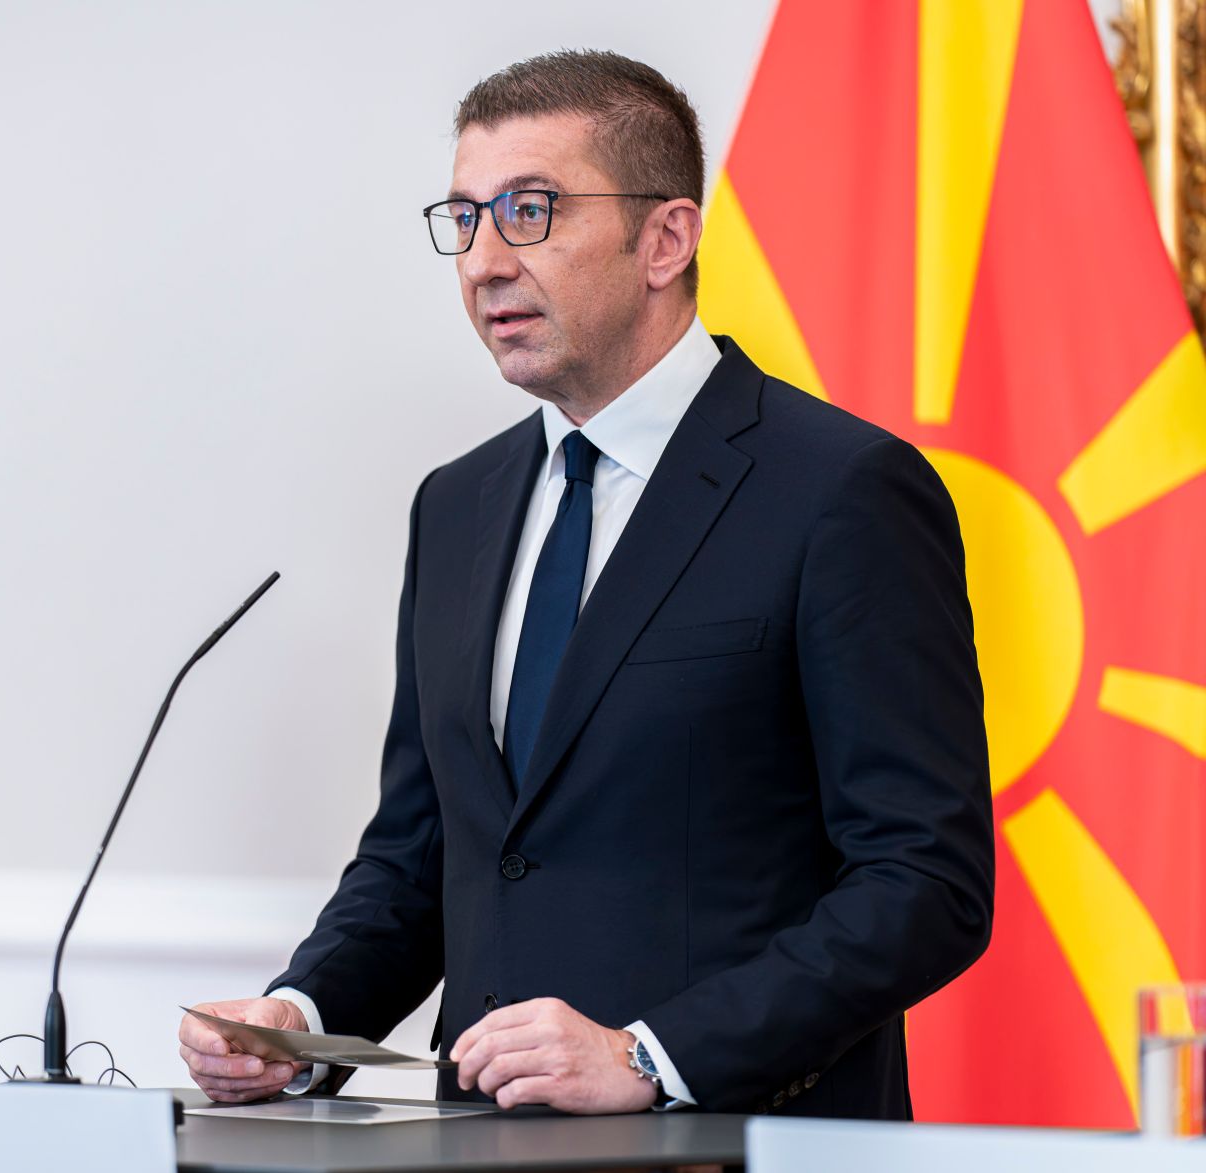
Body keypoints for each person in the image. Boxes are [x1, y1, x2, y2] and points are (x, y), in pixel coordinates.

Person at [178, 49, 993, 1118]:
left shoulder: (839, 489)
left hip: (732, 1141)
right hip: (473, 1142)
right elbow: (423, 852)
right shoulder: (456, 506)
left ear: (664, 238)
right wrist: (299, 1013)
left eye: (527, 211)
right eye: (462, 219)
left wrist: (651, 1056)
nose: (480, 262)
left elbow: (921, 883)